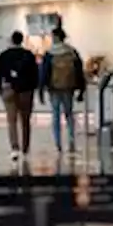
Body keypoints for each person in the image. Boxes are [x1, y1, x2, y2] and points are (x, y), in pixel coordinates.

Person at [39, 27, 84, 155]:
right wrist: (81, 89)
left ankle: (58, 142)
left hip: (54, 88)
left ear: (55, 37)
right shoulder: (72, 52)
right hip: (68, 87)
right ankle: (71, 138)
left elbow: (44, 73)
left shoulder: (49, 53)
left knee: (56, 115)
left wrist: (41, 89)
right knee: (69, 113)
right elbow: (79, 72)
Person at [0, 31, 39, 160]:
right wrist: (34, 88)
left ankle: (14, 148)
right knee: (25, 121)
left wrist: (0, 89)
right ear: (22, 40)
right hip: (26, 90)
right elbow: (35, 74)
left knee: (11, 120)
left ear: (11, 40)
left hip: (9, 89)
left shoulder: (3, 55)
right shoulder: (29, 55)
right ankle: (25, 148)